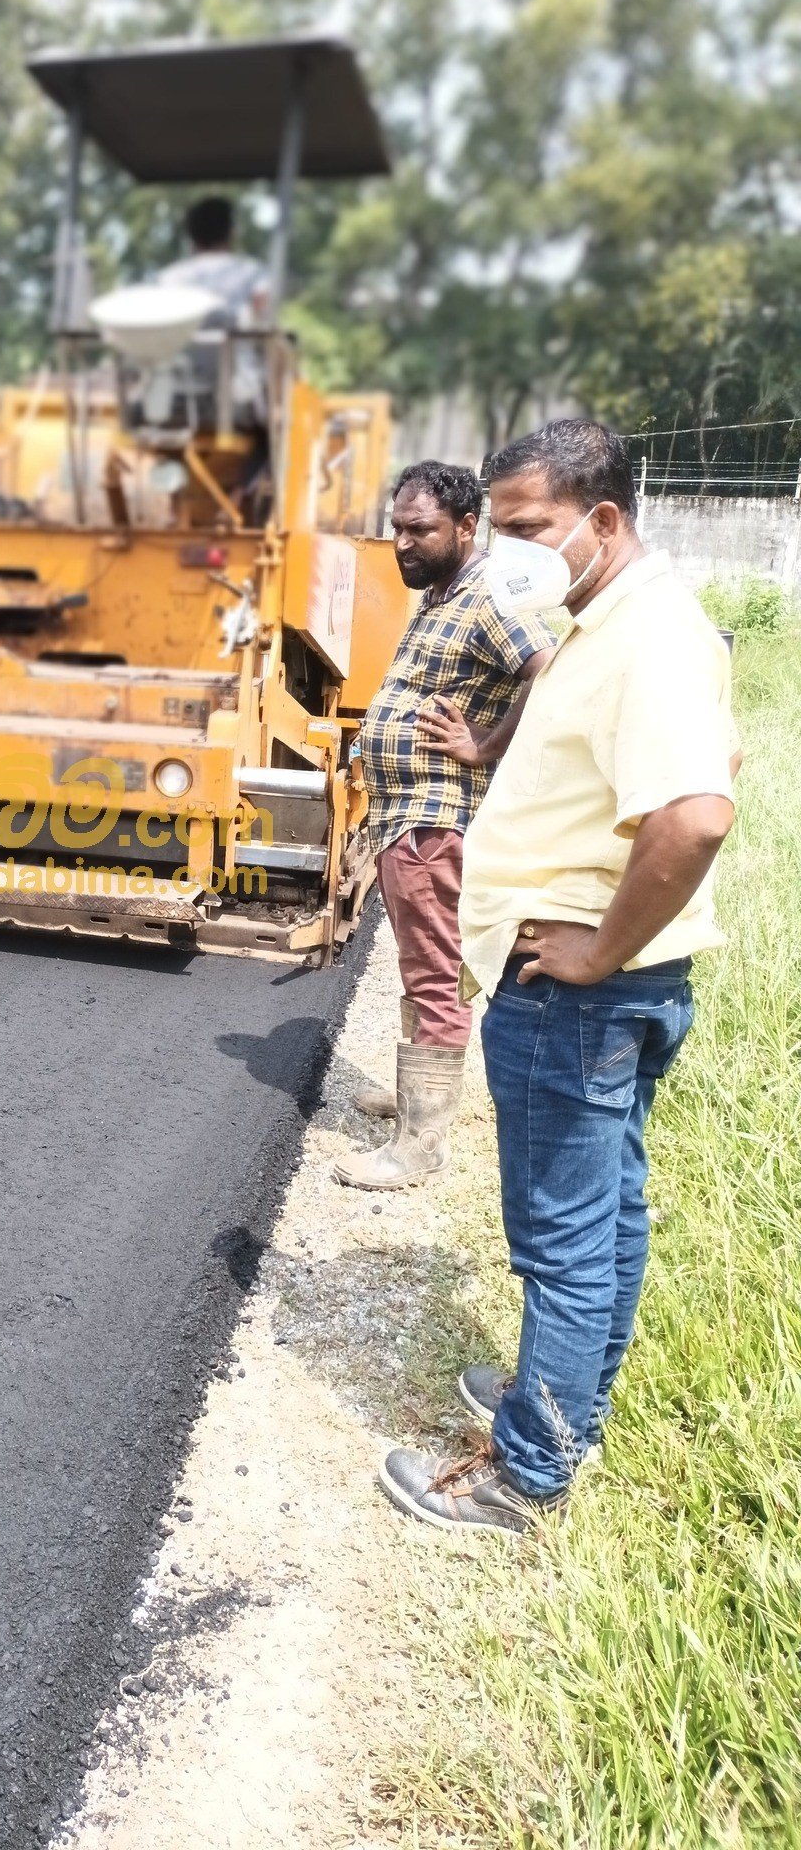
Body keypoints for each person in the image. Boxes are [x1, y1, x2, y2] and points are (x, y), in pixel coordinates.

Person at [379, 419, 740, 1537]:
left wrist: (596, 949)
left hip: (576, 988)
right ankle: (567, 1405)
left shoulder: (653, 634)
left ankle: (523, 1476)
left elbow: (695, 815)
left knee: (562, 1235)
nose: (512, 545)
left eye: (529, 526)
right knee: (606, 1213)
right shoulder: (607, 621)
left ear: (604, 518)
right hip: (585, 985)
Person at [337, 461, 554, 1193]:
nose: (402, 542)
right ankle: (413, 1096)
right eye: (397, 527)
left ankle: (419, 1147)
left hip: (439, 818)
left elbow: (547, 668)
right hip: (409, 818)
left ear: (468, 526)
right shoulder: (442, 592)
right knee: (419, 961)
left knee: (436, 972)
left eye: (420, 529)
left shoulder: (490, 592)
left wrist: (485, 744)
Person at [158, 196, 270, 328]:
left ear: (191, 234)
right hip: (237, 347)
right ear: (231, 231)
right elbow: (263, 312)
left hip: (184, 348)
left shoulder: (169, 277)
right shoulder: (252, 271)